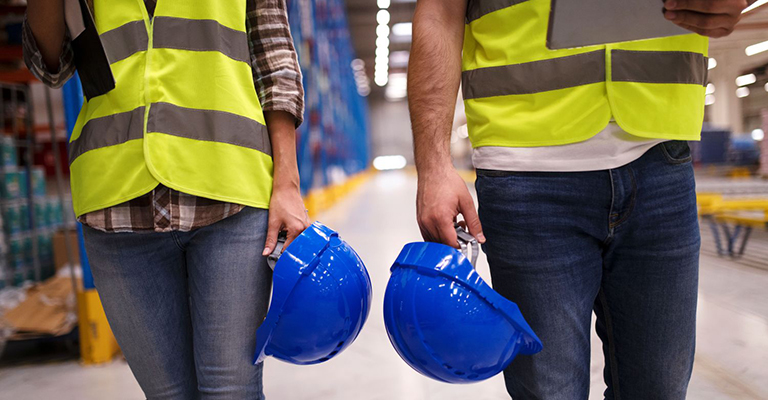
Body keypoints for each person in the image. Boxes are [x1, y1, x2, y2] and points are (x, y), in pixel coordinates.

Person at [409, 0, 750, 398]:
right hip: (526, 168)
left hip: (661, 153)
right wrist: (432, 165)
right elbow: (439, 11)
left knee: (661, 389)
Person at [25, 0, 308, 398]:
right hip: (116, 200)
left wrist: (287, 185)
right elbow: (49, 64)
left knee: (231, 391)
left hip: (230, 191)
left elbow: (273, 56)